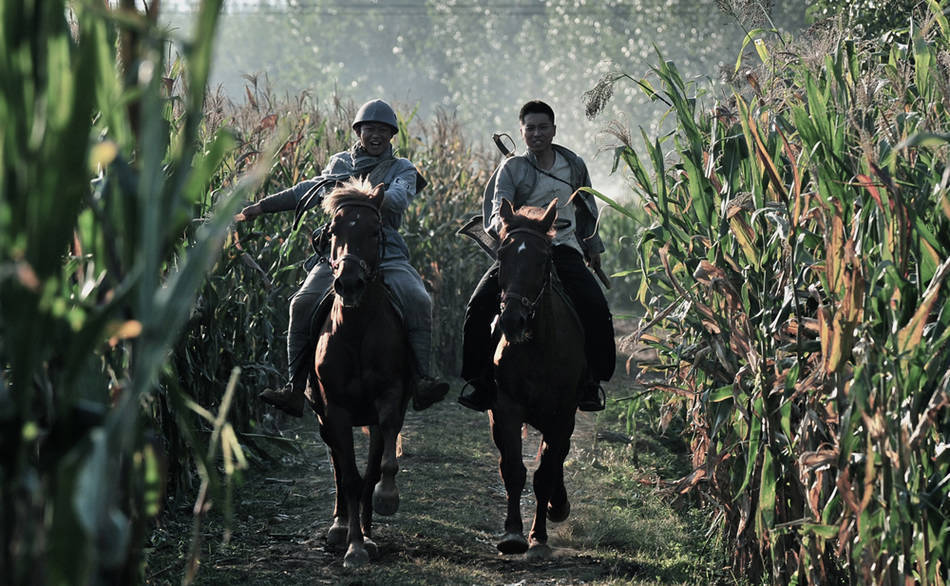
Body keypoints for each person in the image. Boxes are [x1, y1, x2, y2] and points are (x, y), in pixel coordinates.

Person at [237, 99, 449, 417]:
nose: (375, 136)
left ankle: (421, 379)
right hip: (337, 253)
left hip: (385, 250)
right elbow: (307, 191)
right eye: (369, 129)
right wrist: (260, 206)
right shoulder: (339, 164)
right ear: (358, 131)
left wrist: (357, 195)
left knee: (418, 299)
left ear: (391, 135)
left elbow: (398, 198)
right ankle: (294, 388)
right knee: (302, 303)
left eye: (382, 130)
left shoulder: (402, 169)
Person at [458, 100, 615, 412]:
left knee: (595, 306)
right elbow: (496, 212)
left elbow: (586, 209)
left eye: (543, 127)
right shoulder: (512, 168)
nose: (537, 133)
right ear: (522, 131)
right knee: (478, 305)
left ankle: (592, 381)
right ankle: (478, 380)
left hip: (564, 249)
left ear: (554, 130)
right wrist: (513, 227)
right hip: (521, 253)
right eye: (530, 128)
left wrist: (593, 249)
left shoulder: (573, 165)